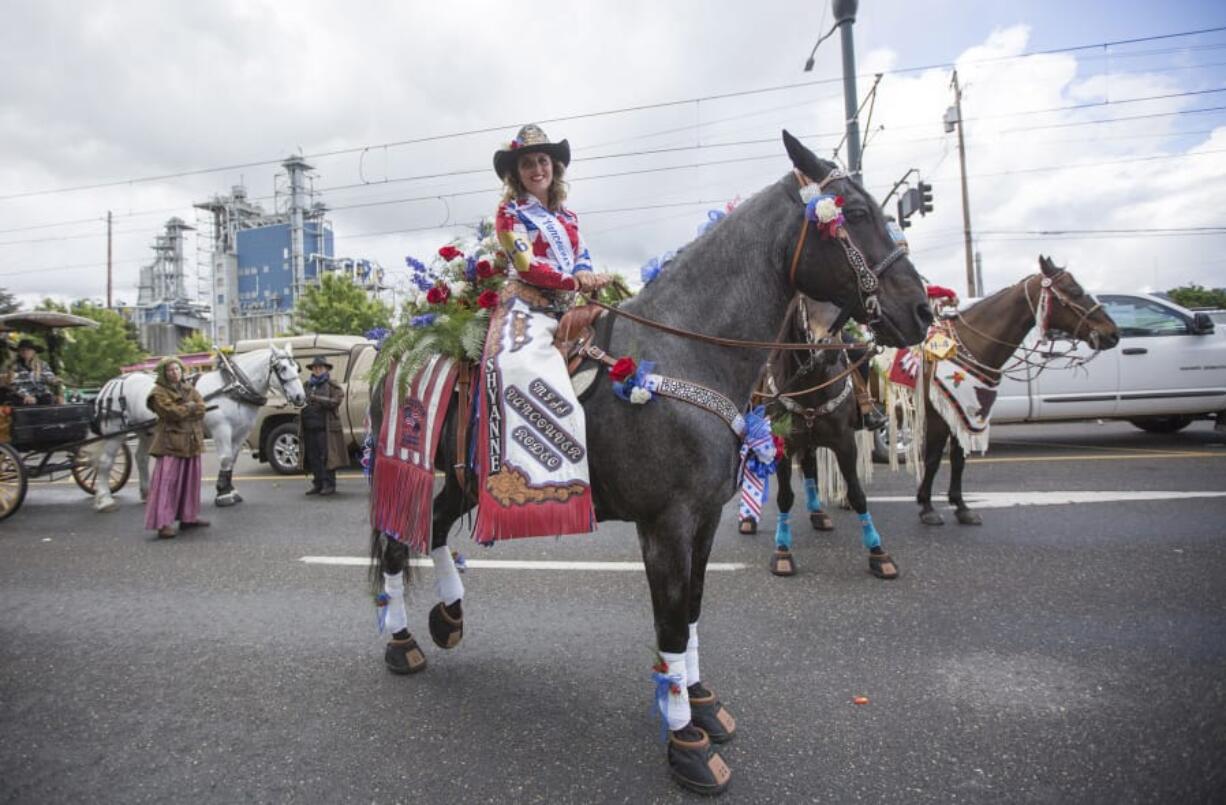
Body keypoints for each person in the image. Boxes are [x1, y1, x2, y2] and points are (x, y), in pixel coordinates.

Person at [473, 124, 614, 541]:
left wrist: (586, 273)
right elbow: (528, 265)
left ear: (554, 167)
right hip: (525, 309)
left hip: (568, 308)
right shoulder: (510, 215)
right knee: (518, 369)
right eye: (528, 163)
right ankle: (534, 484)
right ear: (517, 173)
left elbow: (581, 255)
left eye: (543, 161)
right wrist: (574, 282)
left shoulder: (569, 217)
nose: (537, 168)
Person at [145, 356, 208, 539]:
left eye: (178, 369)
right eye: (170, 370)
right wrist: (189, 408)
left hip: (191, 441)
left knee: (191, 482)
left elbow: (202, 408)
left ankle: (188, 517)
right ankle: (163, 524)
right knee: (167, 484)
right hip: (170, 443)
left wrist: (186, 408)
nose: (175, 373)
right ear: (164, 373)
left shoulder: (190, 389)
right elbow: (169, 412)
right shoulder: (158, 392)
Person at [299, 355, 347, 496]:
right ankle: (318, 484)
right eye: (315, 367)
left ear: (326, 369)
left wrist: (316, 398)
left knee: (326, 457)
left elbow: (335, 402)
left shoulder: (332, 385)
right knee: (312, 457)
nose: (317, 369)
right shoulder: (306, 385)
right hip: (309, 427)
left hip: (325, 428)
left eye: (320, 367)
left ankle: (329, 485)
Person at [2, 339, 63, 406]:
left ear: (34, 351)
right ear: (19, 352)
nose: (25, 351)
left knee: (48, 399)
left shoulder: (42, 364)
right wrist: (26, 396)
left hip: (41, 394)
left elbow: (48, 376)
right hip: (21, 396)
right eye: (22, 350)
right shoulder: (13, 366)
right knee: (24, 402)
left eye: (28, 349)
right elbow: (13, 385)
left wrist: (53, 380)